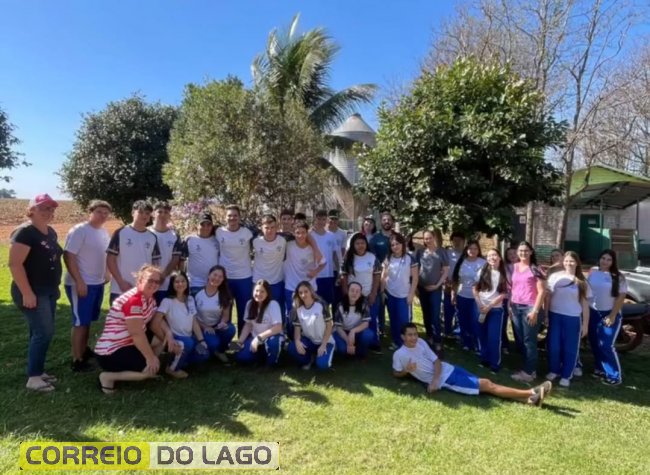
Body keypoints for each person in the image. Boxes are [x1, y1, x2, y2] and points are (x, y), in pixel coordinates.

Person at [392, 323, 551, 406]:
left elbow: (436, 361)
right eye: (410, 335)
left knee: (483, 384)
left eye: (415, 334)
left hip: (449, 369)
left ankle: (530, 401)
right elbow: (396, 373)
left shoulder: (421, 342)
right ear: (403, 337)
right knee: (487, 384)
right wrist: (407, 371)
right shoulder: (399, 355)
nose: (414, 337)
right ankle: (531, 392)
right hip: (447, 380)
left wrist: (434, 380)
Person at [95, 265, 181, 394]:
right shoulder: (133, 300)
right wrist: (150, 357)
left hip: (128, 343)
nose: (154, 284)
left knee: (160, 337)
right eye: (150, 280)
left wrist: (168, 334)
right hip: (111, 352)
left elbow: (156, 318)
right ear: (140, 280)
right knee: (148, 371)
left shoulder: (149, 298)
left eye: (157, 281)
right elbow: (137, 333)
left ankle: (147, 364)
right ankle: (108, 377)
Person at [9, 193, 64, 392]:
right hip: (33, 291)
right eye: (43, 208)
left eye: (51, 208)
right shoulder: (25, 233)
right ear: (31, 210)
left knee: (39, 332)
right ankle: (33, 378)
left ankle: (38, 371)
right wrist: (27, 293)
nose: (48, 212)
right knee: (43, 332)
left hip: (48, 290)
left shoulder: (50, 232)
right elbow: (15, 265)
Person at [63, 199, 112, 372]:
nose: (103, 215)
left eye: (106, 213)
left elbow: (105, 255)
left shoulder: (103, 232)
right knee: (80, 322)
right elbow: (68, 256)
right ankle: (77, 360)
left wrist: (107, 273)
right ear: (90, 212)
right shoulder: (80, 230)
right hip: (82, 284)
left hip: (97, 283)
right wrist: (79, 281)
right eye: (99, 212)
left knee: (88, 320)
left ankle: (84, 350)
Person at [545, 251, 592, 388]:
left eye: (572, 261)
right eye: (566, 260)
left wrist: (585, 325)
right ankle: (554, 370)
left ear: (577, 263)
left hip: (572, 318)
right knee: (554, 346)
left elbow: (585, 305)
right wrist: (546, 315)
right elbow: (548, 297)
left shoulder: (582, 281)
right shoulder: (554, 277)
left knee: (570, 348)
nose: (568, 263)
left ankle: (566, 375)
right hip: (555, 315)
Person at [155, 271, 210, 378]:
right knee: (188, 343)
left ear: (187, 283)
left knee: (204, 353)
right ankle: (171, 369)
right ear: (172, 284)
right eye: (177, 282)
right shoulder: (167, 301)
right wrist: (168, 335)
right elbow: (158, 319)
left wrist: (201, 340)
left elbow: (194, 322)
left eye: (183, 281)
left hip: (189, 337)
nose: (180, 284)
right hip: (177, 339)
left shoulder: (190, 299)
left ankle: (182, 360)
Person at [106, 200, 161, 304]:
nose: (144, 215)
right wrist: (121, 282)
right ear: (132, 213)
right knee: (118, 315)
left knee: (142, 315)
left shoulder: (152, 237)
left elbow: (155, 265)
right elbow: (110, 259)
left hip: (143, 290)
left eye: (147, 213)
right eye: (140, 212)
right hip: (120, 289)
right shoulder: (120, 233)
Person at [587, 249, 626, 385]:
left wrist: (612, 315)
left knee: (606, 345)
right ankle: (600, 369)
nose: (605, 261)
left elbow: (621, 297)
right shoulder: (593, 272)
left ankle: (614, 376)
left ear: (613, 262)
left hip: (610, 313)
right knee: (595, 343)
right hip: (593, 313)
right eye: (603, 258)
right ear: (599, 259)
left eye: (609, 259)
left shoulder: (618, 276)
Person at [510, 241, 546, 383]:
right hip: (515, 307)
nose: (523, 253)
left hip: (530, 308)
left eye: (526, 250)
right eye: (520, 250)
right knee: (521, 340)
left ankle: (528, 373)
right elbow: (513, 287)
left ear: (531, 252)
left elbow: (542, 292)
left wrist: (535, 311)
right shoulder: (514, 267)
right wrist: (510, 304)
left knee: (529, 341)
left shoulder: (536, 269)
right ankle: (529, 368)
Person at [215, 205, 254, 332]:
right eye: (229, 215)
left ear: (239, 217)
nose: (232, 218)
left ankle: (243, 340)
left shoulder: (247, 232)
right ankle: (226, 339)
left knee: (244, 311)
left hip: (244, 277)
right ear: (225, 217)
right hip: (225, 278)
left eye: (235, 215)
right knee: (225, 310)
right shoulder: (218, 232)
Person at [340, 232, 381, 347]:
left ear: (366, 244)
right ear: (353, 245)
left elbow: (377, 275)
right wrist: (346, 294)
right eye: (357, 243)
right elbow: (344, 277)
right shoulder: (348, 258)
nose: (360, 246)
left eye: (362, 243)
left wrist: (373, 293)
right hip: (353, 296)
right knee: (355, 320)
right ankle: (354, 341)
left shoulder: (372, 257)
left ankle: (373, 343)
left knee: (371, 319)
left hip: (368, 295)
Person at [472, 249, 508, 373]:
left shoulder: (504, 273)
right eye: (489, 255)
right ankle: (484, 359)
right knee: (481, 335)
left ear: (499, 258)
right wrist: (479, 303)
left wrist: (490, 305)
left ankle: (495, 363)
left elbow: (504, 293)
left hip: (495, 310)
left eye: (494, 255)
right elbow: (475, 288)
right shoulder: (482, 271)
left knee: (494, 337)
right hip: (480, 308)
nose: (492, 257)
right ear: (487, 258)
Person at [233, 280, 284, 367]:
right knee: (240, 357)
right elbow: (248, 325)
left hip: (271, 337)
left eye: (262, 291)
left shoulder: (273, 304)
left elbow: (278, 328)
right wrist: (239, 342)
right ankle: (260, 355)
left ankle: (271, 363)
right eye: (256, 291)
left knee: (273, 344)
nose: (259, 294)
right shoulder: (249, 304)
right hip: (255, 338)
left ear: (267, 293)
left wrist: (258, 338)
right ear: (253, 291)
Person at [381, 233, 418, 350]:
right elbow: (384, 275)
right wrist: (382, 291)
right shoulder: (388, 258)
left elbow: (415, 278)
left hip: (404, 295)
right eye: (392, 245)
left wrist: (411, 294)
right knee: (393, 319)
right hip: (390, 294)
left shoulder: (410, 258)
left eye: (397, 244)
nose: (395, 247)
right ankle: (396, 341)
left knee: (404, 321)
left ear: (402, 244)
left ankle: (406, 345)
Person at [287, 281, 335, 370]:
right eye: (300, 293)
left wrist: (323, 345)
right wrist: (297, 341)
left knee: (322, 365)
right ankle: (309, 360)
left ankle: (323, 355)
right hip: (310, 342)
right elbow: (297, 329)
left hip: (325, 341)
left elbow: (329, 325)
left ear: (311, 291)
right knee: (292, 347)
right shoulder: (298, 309)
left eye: (306, 291)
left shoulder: (321, 304)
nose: (303, 295)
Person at [194, 265, 237, 363]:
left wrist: (222, 323)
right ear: (209, 275)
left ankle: (220, 351)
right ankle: (204, 348)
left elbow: (226, 316)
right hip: (201, 328)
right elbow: (193, 317)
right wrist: (205, 327)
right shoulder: (198, 294)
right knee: (213, 344)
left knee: (231, 329)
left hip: (216, 327)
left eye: (220, 277)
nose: (217, 278)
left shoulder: (224, 295)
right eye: (215, 275)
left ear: (223, 280)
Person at [415, 229, 449, 351]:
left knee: (435, 315)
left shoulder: (441, 252)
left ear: (434, 238)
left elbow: (445, 271)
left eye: (429, 238)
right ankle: (429, 336)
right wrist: (416, 287)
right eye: (425, 238)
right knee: (426, 313)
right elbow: (416, 270)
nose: (428, 240)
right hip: (422, 288)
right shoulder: (420, 252)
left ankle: (437, 340)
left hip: (435, 288)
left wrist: (437, 285)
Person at [283, 222, 325, 318]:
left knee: (309, 316)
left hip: (310, 287)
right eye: (298, 233)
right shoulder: (288, 245)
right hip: (291, 287)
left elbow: (323, 262)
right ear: (294, 233)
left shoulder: (313, 248)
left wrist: (316, 271)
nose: (300, 235)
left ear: (307, 233)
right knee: (292, 316)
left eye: (303, 232)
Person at [451, 240, 485, 352]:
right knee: (463, 320)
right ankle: (466, 342)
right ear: (466, 250)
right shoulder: (462, 262)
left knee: (476, 321)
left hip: (477, 298)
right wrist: (453, 294)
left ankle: (478, 344)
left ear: (478, 250)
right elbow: (456, 279)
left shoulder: (483, 263)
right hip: (462, 295)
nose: (472, 251)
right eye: (470, 248)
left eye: (475, 249)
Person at [252, 215, 287, 313]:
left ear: (277, 227)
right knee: (258, 310)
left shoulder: (283, 240)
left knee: (277, 310)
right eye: (266, 228)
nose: (270, 230)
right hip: (259, 281)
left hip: (276, 281)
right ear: (261, 228)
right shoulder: (255, 241)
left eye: (272, 227)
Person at [149, 201, 182, 304]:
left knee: (163, 312)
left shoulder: (174, 236)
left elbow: (175, 259)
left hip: (165, 283)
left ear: (169, 215)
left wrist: (162, 276)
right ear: (153, 213)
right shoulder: (145, 232)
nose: (163, 215)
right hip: (147, 282)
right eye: (160, 212)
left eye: (166, 212)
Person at [182, 212, 220, 295]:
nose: (205, 227)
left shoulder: (217, 240)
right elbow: (181, 260)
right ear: (197, 225)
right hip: (194, 284)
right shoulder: (189, 240)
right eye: (202, 224)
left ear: (212, 226)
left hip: (213, 283)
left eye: (208, 224)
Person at [333, 282, 374, 359]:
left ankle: (360, 354)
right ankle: (348, 350)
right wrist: (348, 341)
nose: (354, 293)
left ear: (360, 294)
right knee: (342, 350)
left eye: (357, 291)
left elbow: (366, 324)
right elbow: (338, 327)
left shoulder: (364, 304)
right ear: (348, 291)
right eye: (352, 290)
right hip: (343, 332)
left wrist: (353, 331)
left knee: (368, 334)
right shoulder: (340, 305)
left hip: (357, 331)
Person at [310, 209, 339, 309]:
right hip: (314, 275)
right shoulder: (310, 235)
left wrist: (339, 271)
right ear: (315, 219)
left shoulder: (331, 236)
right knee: (314, 302)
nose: (321, 222)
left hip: (328, 274)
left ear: (326, 220)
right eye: (318, 219)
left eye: (323, 219)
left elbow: (335, 255)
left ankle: (327, 319)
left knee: (326, 303)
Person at [443, 232, 465, 338]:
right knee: (448, 309)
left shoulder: (466, 254)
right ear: (451, 241)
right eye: (455, 240)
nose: (457, 243)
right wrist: (445, 280)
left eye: (459, 240)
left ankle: (457, 332)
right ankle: (447, 331)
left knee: (459, 311)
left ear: (464, 241)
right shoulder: (447, 253)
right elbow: (442, 267)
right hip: (448, 285)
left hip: (461, 287)